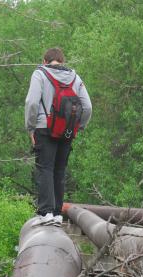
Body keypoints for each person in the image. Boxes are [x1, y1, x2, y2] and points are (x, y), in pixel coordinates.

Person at [25, 47, 92, 226]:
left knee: (45, 168)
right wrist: (79, 126)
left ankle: (46, 213)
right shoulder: (75, 77)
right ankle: (57, 214)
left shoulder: (40, 73)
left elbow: (31, 102)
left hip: (44, 127)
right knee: (59, 170)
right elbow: (88, 107)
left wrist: (31, 128)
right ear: (62, 61)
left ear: (45, 61)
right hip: (67, 130)